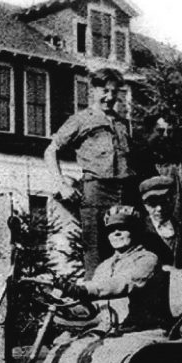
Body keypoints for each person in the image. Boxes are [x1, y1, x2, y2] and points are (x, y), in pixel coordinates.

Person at [45, 67, 139, 278]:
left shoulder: (123, 124)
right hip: (96, 192)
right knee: (96, 254)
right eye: (105, 90)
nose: (110, 97)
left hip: (124, 195)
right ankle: (96, 308)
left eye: (115, 92)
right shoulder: (80, 120)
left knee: (125, 253)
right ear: (93, 90)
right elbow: (51, 151)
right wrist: (62, 184)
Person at [67, 206, 161, 331]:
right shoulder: (104, 266)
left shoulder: (147, 259)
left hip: (139, 331)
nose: (116, 233)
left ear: (135, 231)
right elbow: (94, 307)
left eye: (123, 228)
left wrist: (84, 289)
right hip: (107, 330)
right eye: (111, 230)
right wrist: (65, 298)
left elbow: (124, 282)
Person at [139, 175, 182, 268]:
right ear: (144, 205)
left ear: (172, 201)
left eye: (164, 202)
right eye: (153, 203)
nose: (159, 208)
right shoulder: (139, 230)